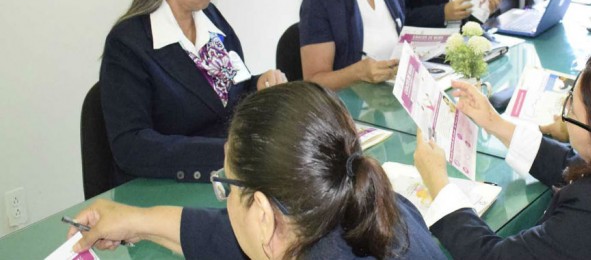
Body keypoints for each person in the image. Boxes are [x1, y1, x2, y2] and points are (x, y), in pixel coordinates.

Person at [67, 82, 446, 260]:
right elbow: (225, 236)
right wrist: (134, 220)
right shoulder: (378, 210)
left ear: (264, 215)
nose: (227, 201)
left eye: (228, 188)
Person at [414, 50, 591, 258]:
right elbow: (569, 163)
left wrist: (439, 184)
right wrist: (495, 123)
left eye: (572, 111)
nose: (564, 116)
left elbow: (493, 257)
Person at [100, 0, 286, 186]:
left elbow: (233, 91)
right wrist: (223, 152)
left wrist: (260, 84)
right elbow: (131, 145)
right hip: (173, 188)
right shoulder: (128, 43)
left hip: (230, 178)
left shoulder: (211, 18)